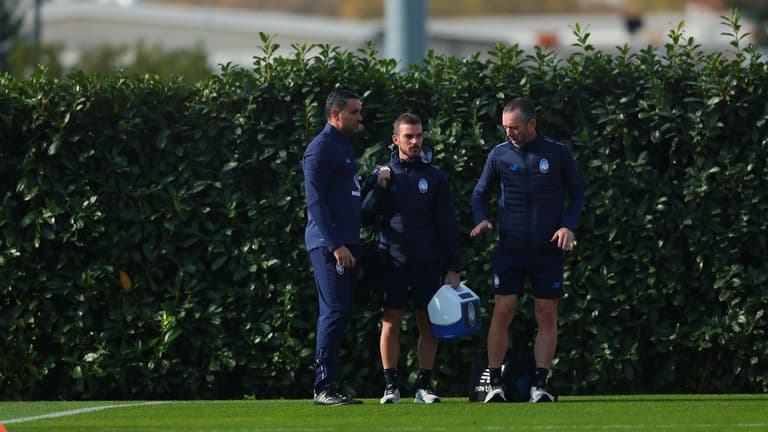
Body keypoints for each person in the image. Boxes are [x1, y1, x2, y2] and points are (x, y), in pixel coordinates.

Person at [470, 97, 585, 403]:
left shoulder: (557, 153)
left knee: (546, 313)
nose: (509, 133)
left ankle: (540, 385)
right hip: (510, 248)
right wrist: (481, 219)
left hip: (547, 250)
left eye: (515, 127)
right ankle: (495, 383)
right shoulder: (499, 154)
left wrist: (568, 226)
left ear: (532, 124)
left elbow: (577, 195)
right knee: (503, 309)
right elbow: (479, 194)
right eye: (506, 127)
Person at [361, 113, 461, 405]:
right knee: (390, 321)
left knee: (427, 323)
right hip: (392, 261)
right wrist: (379, 187)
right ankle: (390, 387)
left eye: (419, 135)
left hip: (427, 262)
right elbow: (363, 215)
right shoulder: (381, 174)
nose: (415, 141)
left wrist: (453, 267)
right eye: (409, 136)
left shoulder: (435, 176)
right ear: (396, 139)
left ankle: (424, 387)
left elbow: (447, 225)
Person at [302, 88, 365, 405]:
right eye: (354, 112)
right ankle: (322, 388)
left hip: (345, 244)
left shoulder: (342, 146)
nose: (360, 118)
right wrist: (336, 244)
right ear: (336, 114)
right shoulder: (320, 149)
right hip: (330, 247)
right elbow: (315, 201)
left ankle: (329, 385)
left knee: (340, 311)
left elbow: (347, 194)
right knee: (334, 310)